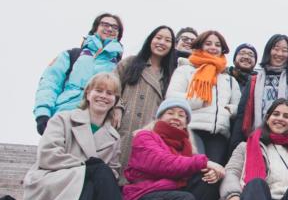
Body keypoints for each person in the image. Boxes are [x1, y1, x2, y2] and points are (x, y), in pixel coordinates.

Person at [21, 73, 156, 200]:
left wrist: (90, 171)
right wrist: (86, 166)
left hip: (85, 193)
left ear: (115, 100)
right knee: (97, 169)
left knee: (92, 179)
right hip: (52, 183)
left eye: (109, 93)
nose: (103, 96)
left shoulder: (113, 137)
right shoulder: (63, 119)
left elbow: (112, 173)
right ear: (87, 94)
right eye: (98, 91)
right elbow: (48, 155)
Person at [122, 98, 226, 200]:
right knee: (183, 198)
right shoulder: (145, 137)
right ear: (159, 118)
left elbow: (188, 167)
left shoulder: (186, 148)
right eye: (170, 113)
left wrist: (211, 172)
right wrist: (206, 162)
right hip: (144, 198)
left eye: (181, 115)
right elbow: (165, 163)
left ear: (186, 123)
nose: (176, 117)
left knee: (206, 180)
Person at [34, 13, 125, 136]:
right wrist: (43, 113)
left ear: (119, 34)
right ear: (95, 28)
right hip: (64, 116)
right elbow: (49, 83)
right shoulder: (72, 55)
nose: (109, 29)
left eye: (115, 27)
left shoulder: (121, 66)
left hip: (98, 124)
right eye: (105, 24)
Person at [230, 35, 288, 152]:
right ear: (269, 51)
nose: (280, 53)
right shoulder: (253, 80)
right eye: (276, 49)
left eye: (284, 50)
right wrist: (236, 144)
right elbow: (243, 114)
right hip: (256, 140)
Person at [166, 30, 241, 166]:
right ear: (200, 46)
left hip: (218, 134)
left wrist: (228, 110)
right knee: (195, 167)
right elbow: (172, 97)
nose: (213, 47)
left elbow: (238, 106)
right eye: (208, 43)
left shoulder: (229, 80)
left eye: (217, 45)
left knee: (213, 174)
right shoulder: (185, 70)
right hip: (191, 129)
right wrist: (198, 100)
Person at [114, 25, 178, 169]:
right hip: (122, 122)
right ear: (150, 40)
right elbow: (112, 86)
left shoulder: (170, 74)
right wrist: (117, 107)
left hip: (148, 128)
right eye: (158, 38)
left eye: (167, 40)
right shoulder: (130, 63)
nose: (162, 42)